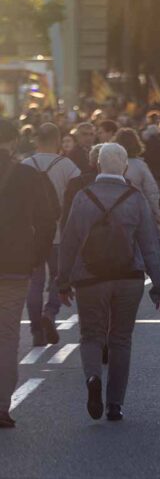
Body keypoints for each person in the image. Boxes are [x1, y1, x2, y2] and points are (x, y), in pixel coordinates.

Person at [57, 143, 160, 422]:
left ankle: (93, 377)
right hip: (128, 277)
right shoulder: (135, 197)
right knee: (120, 339)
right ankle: (115, 404)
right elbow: (150, 245)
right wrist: (159, 285)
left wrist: (62, 281)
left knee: (91, 335)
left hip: (90, 278)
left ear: (97, 165)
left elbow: (69, 242)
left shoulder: (83, 197)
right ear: (126, 167)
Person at [0, 118, 59, 429]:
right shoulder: (26, 175)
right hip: (14, 266)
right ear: (12, 143)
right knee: (8, 336)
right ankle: (1, 406)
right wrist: (36, 255)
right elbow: (49, 218)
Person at [22, 123, 80, 345]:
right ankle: (50, 313)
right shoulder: (68, 166)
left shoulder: (27, 165)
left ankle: (36, 328)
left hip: (33, 234)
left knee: (35, 283)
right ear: (57, 139)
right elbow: (76, 200)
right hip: (60, 232)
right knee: (59, 277)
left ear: (37, 140)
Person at [113, 128, 160, 225]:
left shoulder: (110, 163)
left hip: (114, 211)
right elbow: (151, 192)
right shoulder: (140, 165)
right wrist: (158, 213)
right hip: (136, 210)